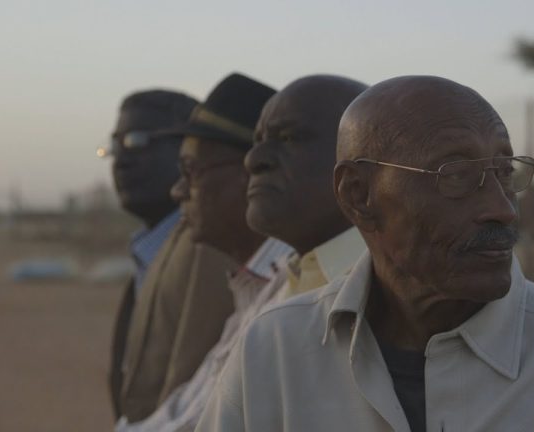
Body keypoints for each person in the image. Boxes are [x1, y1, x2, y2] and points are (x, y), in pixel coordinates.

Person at [198, 76, 534, 432]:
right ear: (358, 195)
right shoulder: (272, 349)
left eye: (504, 172)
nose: (502, 209)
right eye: (455, 174)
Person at [124, 75, 368, 432]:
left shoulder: (389, 298)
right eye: (257, 142)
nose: (255, 159)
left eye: (289, 138)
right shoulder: (280, 285)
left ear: (360, 173)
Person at [117, 74, 287, 424]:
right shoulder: (251, 281)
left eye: (190, 170)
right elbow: (188, 403)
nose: (179, 189)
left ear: (254, 172)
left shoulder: (293, 293)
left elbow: (187, 387)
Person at [104, 89, 198, 419]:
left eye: (137, 141)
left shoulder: (214, 255)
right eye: (116, 145)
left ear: (190, 151)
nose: (121, 160)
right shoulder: (151, 251)